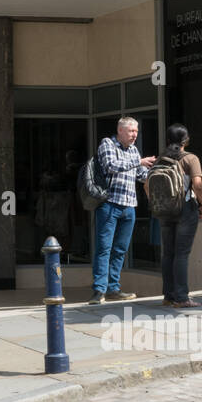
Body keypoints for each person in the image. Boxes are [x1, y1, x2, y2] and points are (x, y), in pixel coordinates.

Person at [89, 117, 155, 305]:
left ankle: (113, 288)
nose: (135, 135)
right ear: (120, 130)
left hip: (129, 206)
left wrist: (159, 171)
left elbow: (141, 176)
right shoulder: (107, 144)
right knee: (104, 248)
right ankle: (98, 290)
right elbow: (111, 166)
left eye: (136, 131)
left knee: (120, 249)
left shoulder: (134, 151)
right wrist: (138, 162)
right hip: (109, 204)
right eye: (131, 131)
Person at [159, 124, 202, 308]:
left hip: (164, 211)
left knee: (168, 254)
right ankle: (181, 297)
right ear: (185, 141)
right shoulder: (190, 159)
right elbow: (197, 184)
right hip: (185, 209)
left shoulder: (161, 160)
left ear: (168, 140)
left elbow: (148, 186)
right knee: (182, 254)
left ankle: (168, 296)